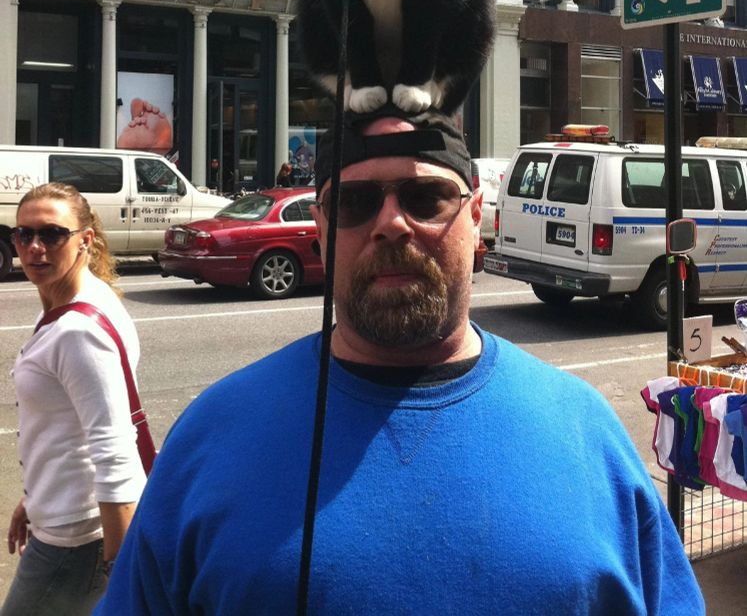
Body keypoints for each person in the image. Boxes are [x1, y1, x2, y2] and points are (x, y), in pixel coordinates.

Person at [96, 109, 704, 615]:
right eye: (356, 202)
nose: (390, 224)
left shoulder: (586, 431)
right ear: (321, 225)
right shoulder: (211, 434)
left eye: (424, 196)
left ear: (475, 216)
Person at [2, 183, 147, 616]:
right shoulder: (85, 298)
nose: (34, 248)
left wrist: (120, 574)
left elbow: (114, 449)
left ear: (85, 240)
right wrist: (35, 498)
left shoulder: (78, 331)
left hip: (75, 537)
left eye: (52, 234)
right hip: (64, 516)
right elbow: (67, 426)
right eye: (24, 234)